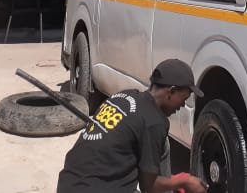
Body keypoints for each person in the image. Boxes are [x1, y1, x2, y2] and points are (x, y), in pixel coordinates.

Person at [57, 59, 208, 193]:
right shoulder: (155, 122)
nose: (183, 105)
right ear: (171, 91)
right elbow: (149, 186)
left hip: (68, 184)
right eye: (184, 98)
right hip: (98, 188)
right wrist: (183, 182)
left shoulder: (123, 96)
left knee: (163, 144)